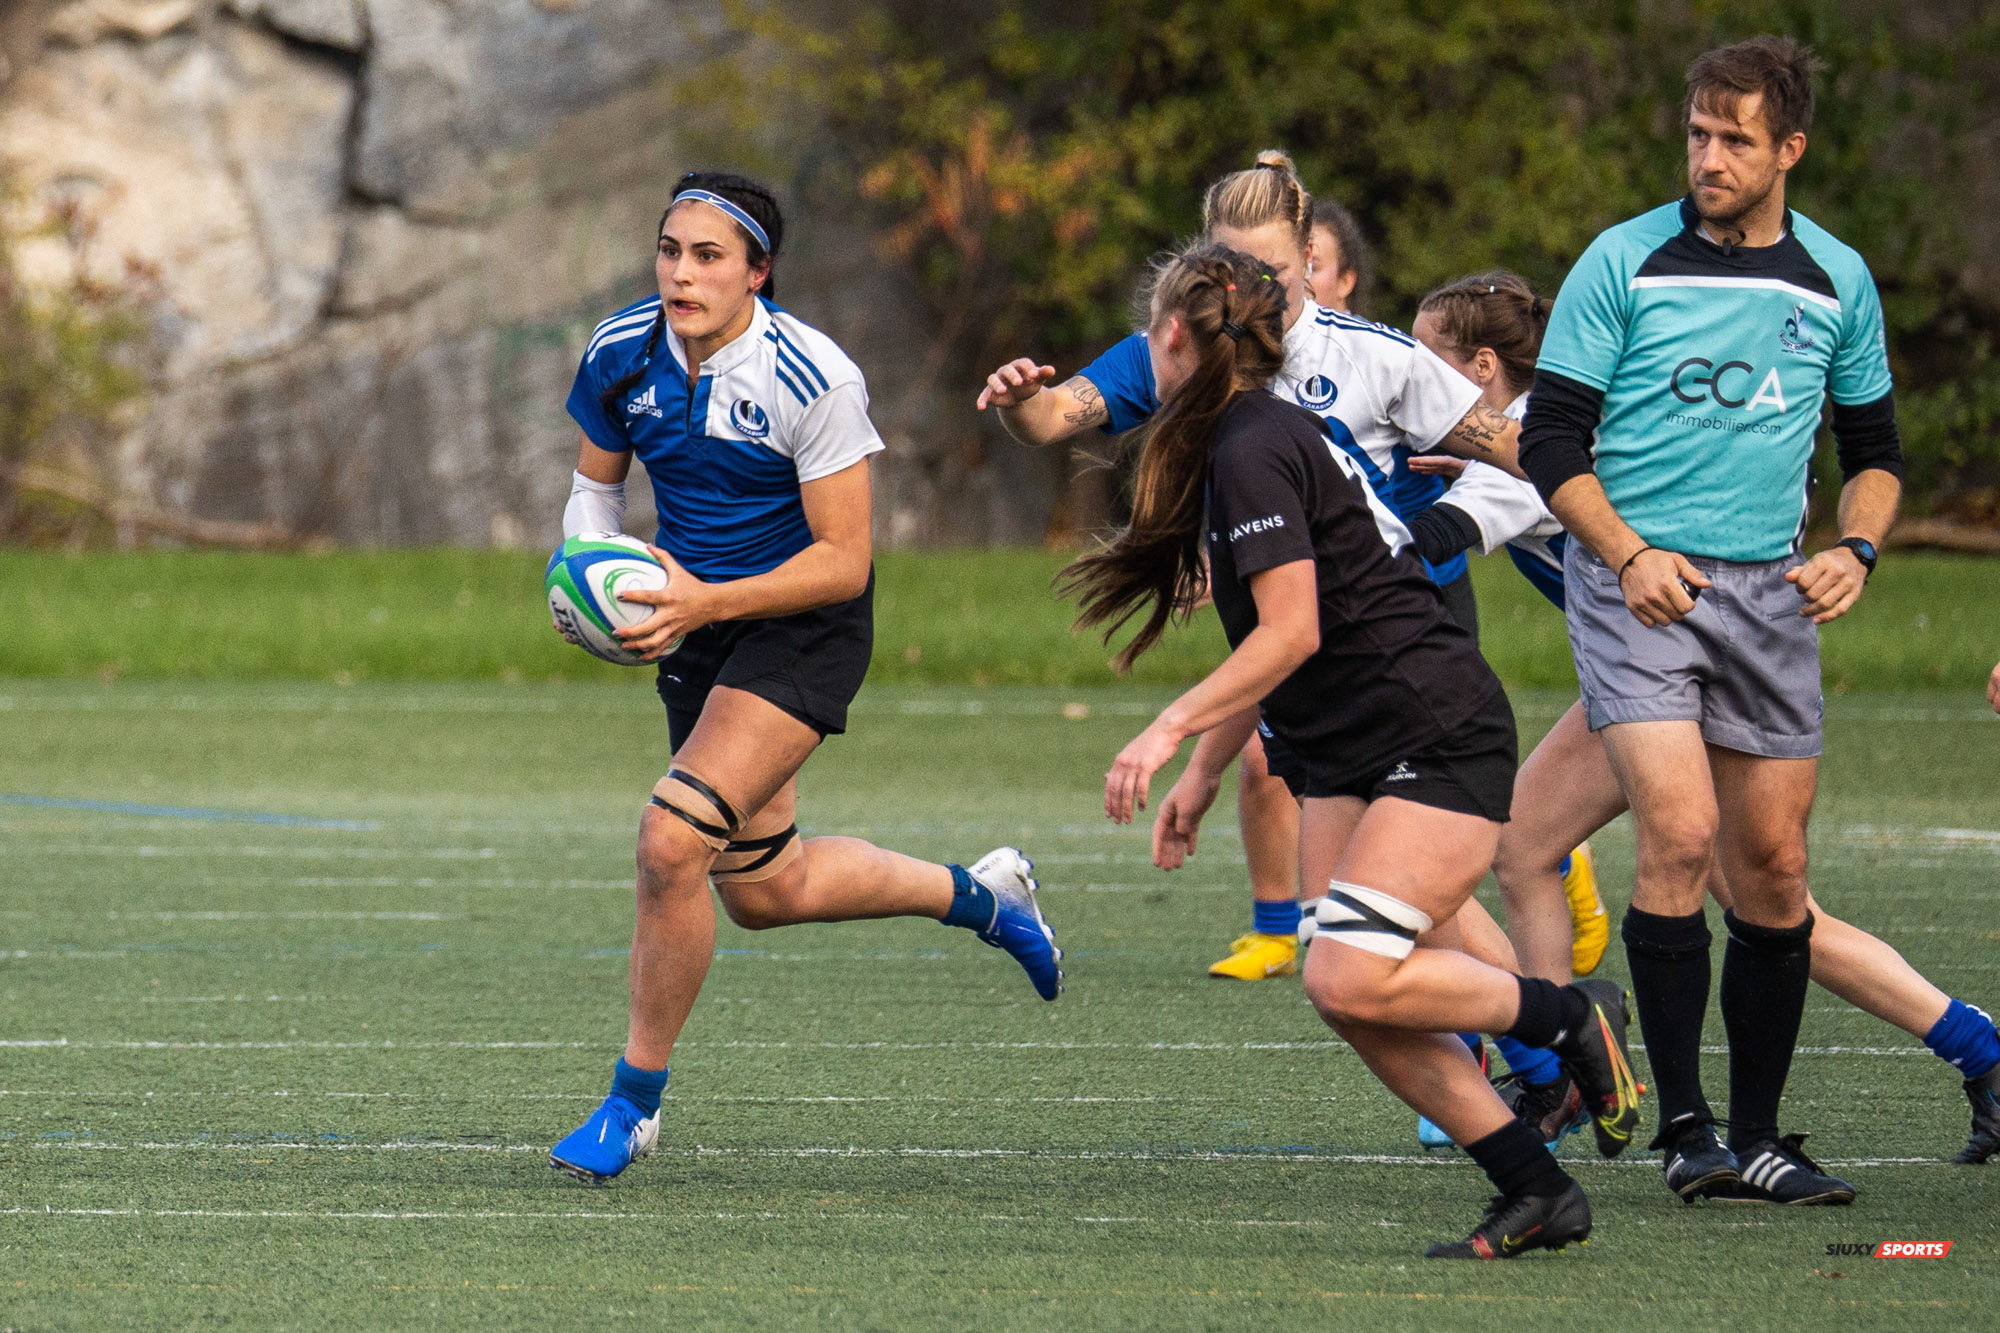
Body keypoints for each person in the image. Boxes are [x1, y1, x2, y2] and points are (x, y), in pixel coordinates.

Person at [1076, 240, 1637, 1259]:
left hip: (1426, 726)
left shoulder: (1250, 441)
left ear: (1169, 338)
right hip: (1346, 742)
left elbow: (1291, 631)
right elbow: (1278, 641)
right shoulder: (1240, 434)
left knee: (1345, 973)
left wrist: (1170, 730)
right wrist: (1206, 772)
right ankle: (1536, 1187)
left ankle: (1568, 1015)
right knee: (1350, 993)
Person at [1414, 271, 2000, 1167]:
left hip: (1671, 670)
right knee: (1528, 843)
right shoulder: (1531, 435)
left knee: (1766, 905)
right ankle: (1562, 1060)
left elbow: (1438, 541)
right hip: (1649, 669)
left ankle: (1571, 1063)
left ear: (1481, 368)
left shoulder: (1534, 450)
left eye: (1424, 364)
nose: (1408, 381)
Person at [547, 171, 1062, 1184]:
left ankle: (631, 1105)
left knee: (669, 840)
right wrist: (588, 580)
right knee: (765, 886)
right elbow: (590, 492)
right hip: (698, 625)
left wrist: (700, 601)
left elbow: (844, 559)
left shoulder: (809, 374)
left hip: (803, 623)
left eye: (707, 256)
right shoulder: (620, 350)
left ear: (757, 272)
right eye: (669, 250)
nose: (681, 273)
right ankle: (984, 897)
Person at [979, 152, 1528, 982]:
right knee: (1371, 914)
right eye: (1227, 265)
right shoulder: (1178, 350)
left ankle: (1525, 1046)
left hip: (1403, 635)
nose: (1246, 283)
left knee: (1387, 911)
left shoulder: (1375, 359)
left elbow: (1525, 451)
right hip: (1304, 642)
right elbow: (1055, 415)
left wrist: (1470, 522)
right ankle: (1536, 1046)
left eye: (1267, 267)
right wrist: (1022, 400)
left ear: (1311, 257)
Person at [1520, 37, 1904, 1205]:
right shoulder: (1621, 261)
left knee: (1776, 871)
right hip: (1635, 579)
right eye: (1696, 133)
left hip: (1769, 590)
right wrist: (1625, 552)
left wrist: (1856, 547)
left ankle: (1762, 1135)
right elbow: (1547, 443)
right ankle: (1686, 1133)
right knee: (1677, 833)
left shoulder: (1831, 275)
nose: (1708, 157)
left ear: (1787, 148)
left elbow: (1876, 457)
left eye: (1735, 138)